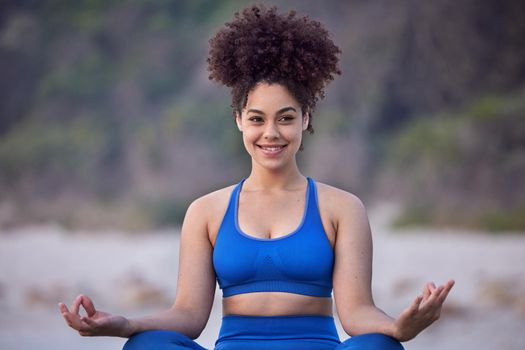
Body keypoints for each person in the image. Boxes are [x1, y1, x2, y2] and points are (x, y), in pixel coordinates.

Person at [59, 5, 454, 350]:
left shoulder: (342, 208)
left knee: (378, 347)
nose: (271, 133)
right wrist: (125, 325)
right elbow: (189, 315)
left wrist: (398, 328)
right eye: (256, 119)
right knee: (146, 345)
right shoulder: (206, 211)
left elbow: (356, 314)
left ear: (306, 119)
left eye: (286, 117)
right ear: (238, 121)